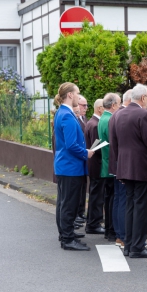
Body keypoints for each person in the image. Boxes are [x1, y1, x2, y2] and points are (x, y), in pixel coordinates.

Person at [111, 84, 147, 258]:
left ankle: (129, 244)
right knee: (141, 207)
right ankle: (138, 246)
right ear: (143, 98)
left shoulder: (118, 114)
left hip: (124, 165)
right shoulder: (144, 114)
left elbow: (114, 142)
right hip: (141, 166)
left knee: (129, 205)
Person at [53, 82, 94, 251]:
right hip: (71, 167)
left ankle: (66, 234)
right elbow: (71, 145)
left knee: (64, 202)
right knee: (69, 204)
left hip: (65, 166)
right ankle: (68, 239)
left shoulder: (61, 113)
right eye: (77, 93)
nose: (78, 96)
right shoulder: (68, 116)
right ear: (70, 95)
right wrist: (86, 153)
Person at [94, 93, 121, 241]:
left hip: (105, 164)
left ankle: (109, 230)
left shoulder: (103, 118)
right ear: (113, 105)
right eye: (119, 103)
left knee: (109, 198)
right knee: (112, 199)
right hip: (110, 164)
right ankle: (111, 230)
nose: (120, 106)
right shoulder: (110, 119)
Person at [109, 89, 132, 248]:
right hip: (123, 165)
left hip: (115, 164)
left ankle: (119, 234)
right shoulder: (124, 115)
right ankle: (123, 235)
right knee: (123, 199)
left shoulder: (115, 115)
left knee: (118, 199)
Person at [84, 99, 105, 234]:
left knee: (95, 193)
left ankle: (93, 222)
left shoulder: (91, 122)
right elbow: (95, 146)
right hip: (96, 164)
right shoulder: (95, 124)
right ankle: (93, 223)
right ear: (99, 108)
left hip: (94, 164)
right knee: (97, 195)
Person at [76, 95, 89, 225]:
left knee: (82, 187)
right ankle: (76, 214)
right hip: (78, 159)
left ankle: (80, 212)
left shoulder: (84, 119)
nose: (85, 108)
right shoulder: (74, 119)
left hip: (84, 160)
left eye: (86, 105)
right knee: (76, 190)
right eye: (83, 105)